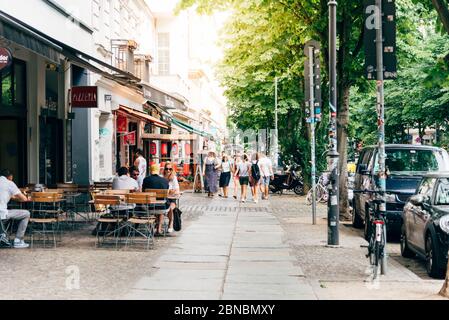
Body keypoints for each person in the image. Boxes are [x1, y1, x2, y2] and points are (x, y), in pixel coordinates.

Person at [0, 169, 30, 248]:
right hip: (2, 214)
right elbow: (24, 199)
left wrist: (13, 197)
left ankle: (3, 235)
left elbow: (9, 196)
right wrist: (25, 197)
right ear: (10, 177)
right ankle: (18, 240)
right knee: (26, 213)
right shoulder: (9, 183)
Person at [142, 164, 169, 235]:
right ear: (159, 170)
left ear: (151, 170)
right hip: (162, 207)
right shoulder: (165, 180)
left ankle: (153, 227)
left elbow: (143, 192)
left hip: (149, 207)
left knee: (154, 206)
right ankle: (159, 229)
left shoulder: (146, 180)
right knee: (160, 207)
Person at [163, 162, 180, 234]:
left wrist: (171, 192)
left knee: (171, 208)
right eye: (167, 169)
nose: (168, 170)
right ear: (164, 169)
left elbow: (177, 190)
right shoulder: (162, 177)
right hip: (163, 198)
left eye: (170, 169)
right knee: (157, 207)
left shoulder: (174, 178)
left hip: (172, 198)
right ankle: (158, 225)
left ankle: (170, 224)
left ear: (172, 170)